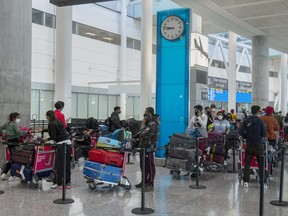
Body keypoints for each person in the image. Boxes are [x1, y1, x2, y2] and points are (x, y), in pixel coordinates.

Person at [239, 105, 266, 188]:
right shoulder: (261, 122)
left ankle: (246, 181)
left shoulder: (246, 121)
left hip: (249, 144)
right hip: (258, 144)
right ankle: (263, 182)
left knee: (247, 163)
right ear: (258, 111)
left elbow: (240, 132)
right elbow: (263, 134)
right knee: (261, 164)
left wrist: (246, 137)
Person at [134, 107, 160, 192]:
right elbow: (140, 133)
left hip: (149, 148)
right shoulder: (149, 123)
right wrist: (133, 136)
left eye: (146, 114)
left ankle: (150, 184)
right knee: (143, 165)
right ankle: (144, 181)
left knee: (149, 166)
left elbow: (144, 133)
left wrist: (143, 124)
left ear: (150, 114)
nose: (144, 116)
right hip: (144, 146)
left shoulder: (153, 123)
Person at [45, 110, 72, 189]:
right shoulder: (58, 121)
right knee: (66, 163)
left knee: (59, 164)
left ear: (47, 116)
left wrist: (46, 139)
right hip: (68, 142)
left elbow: (53, 137)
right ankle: (67, 182)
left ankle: (59, 183)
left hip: (61, 144)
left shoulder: (51, 124)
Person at [0, 112, 28, 180]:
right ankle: (8, 173)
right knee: (15, 158)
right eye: (18, 117)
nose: (19, 119)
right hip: (15, 142)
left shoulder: (7, 123)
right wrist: (27, 133)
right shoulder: (14, 124)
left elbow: (1, 128)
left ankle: (6, 173)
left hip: (9, 142)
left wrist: (1, 134)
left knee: (13, 158)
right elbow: (19, 132)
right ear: (14, 118)